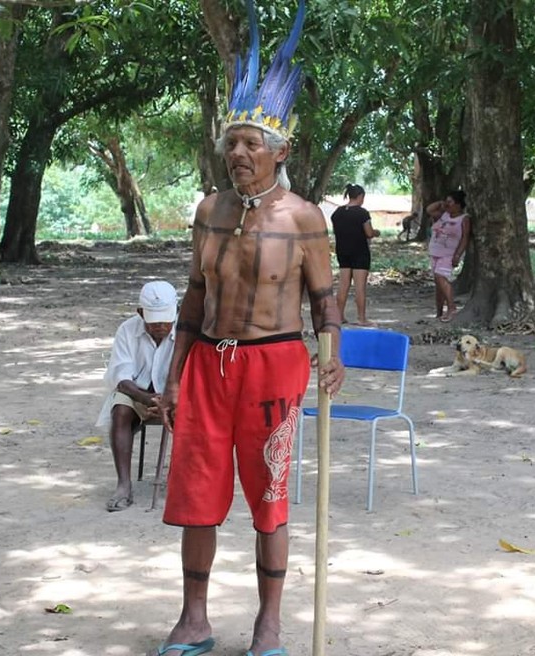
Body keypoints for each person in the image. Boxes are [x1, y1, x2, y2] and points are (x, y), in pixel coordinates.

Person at [155, 2, 345, 655]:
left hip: (275, 367)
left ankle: (269, 625)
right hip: (209, 364)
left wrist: (332, 355)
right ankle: (194, 619)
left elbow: (324, 297)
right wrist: (174, 373)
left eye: (251, 142)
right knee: (196, 495)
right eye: (231, 141)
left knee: (270, 498)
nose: (238, 152)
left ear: (279, 149)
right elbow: (195, 295)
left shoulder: (304, 218)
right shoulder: (208, 211)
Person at [95, 280, 178, 512]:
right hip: (137, 395)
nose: (161, 326)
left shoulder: (184, 331)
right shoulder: (127, 330)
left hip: (176, 395)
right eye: (154, 322)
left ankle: (176, 479)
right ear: (140, 313)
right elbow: (120, 379)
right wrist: (147, 399)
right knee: (120, 410)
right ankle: (124, 484)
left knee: (187, 411)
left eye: (166, 320)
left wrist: (168, 400)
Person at [330, 183, 380, 326]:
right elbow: (369, 233)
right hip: (360, 252)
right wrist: (377, 232)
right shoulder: (362, 213)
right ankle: (361, 318)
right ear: (360, 196)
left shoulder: (337, 213)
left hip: (342, 251)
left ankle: (339, 316)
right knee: (359, 286)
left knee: (343, 284)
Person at [426, 190, 471, 322]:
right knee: (438, 283)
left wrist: (458, 255)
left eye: (450, 202)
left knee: (442, 277)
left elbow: (465, 238)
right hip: (435, 252)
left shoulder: (464, 219)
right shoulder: (443, 215)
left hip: (449, 254)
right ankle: (439, 312)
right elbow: (429, 210)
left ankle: (451, 308)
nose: (447, 205)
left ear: (458, 205)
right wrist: (441, 203)